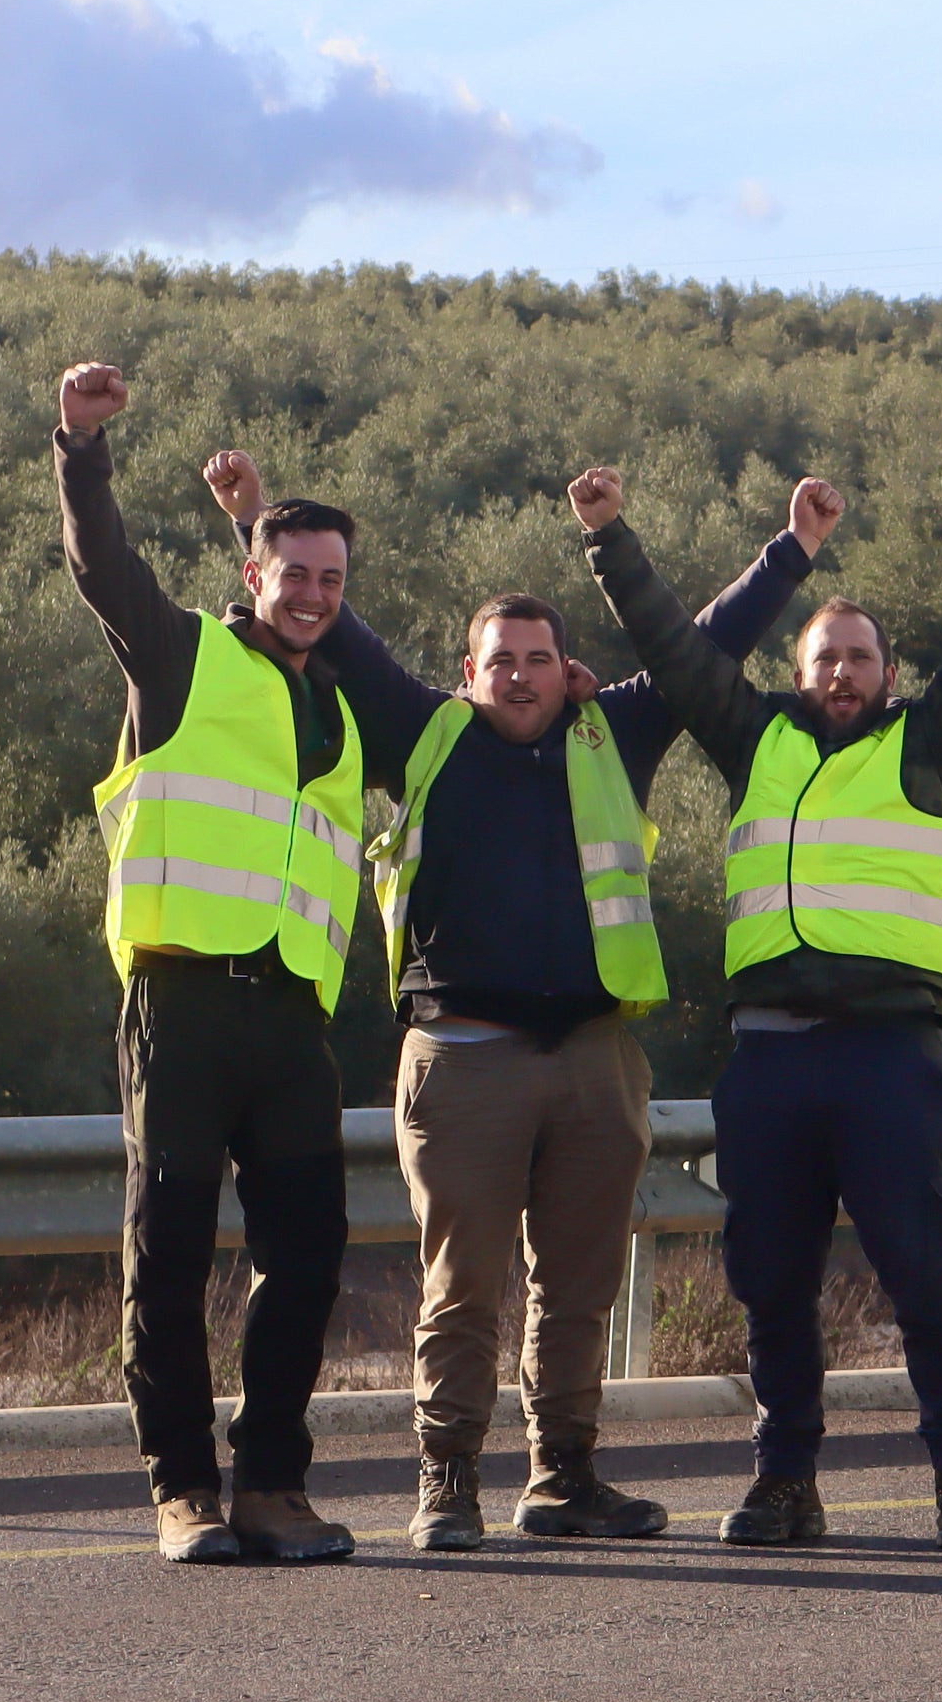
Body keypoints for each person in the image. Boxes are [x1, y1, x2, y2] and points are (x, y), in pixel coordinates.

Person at [202, 453, 825, 1550]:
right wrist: (249, 517)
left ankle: (562, 1477)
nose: (526, 676)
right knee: (465, 1291)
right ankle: (447, 1484)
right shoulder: (422, 732)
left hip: (595, 1060)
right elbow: (324, 623)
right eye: (504, 661)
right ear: (467, 671)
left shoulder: (613, 731)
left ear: (566, 666)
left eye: (543, 658)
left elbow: (704, 641)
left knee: (577, 1290)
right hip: (464, 1054)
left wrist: (794, 550)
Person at [581, 460, 942, 1552]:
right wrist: (611, 539)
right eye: (824, 657)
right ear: (796, 671)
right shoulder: (759, 740)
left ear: (890, 673)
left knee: (926, 1279)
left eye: (859, 658)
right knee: (772, 1284)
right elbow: (672, 649)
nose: (841, 672)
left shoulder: (932, 746)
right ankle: (784, 1481)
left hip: (894, 1057)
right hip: (772, 1059)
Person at [51, 363, 370, 1566]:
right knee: (170, 1256)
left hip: (291, 1021)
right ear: (253, 575)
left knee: (307, 1258)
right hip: (180, 1000)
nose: (314, 595)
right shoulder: (183, 657)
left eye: (333, 580)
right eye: (294, 574)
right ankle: (183, 1486)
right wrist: (81, 445)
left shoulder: (338, 710)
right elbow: (101, 568)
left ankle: (272, 1485)